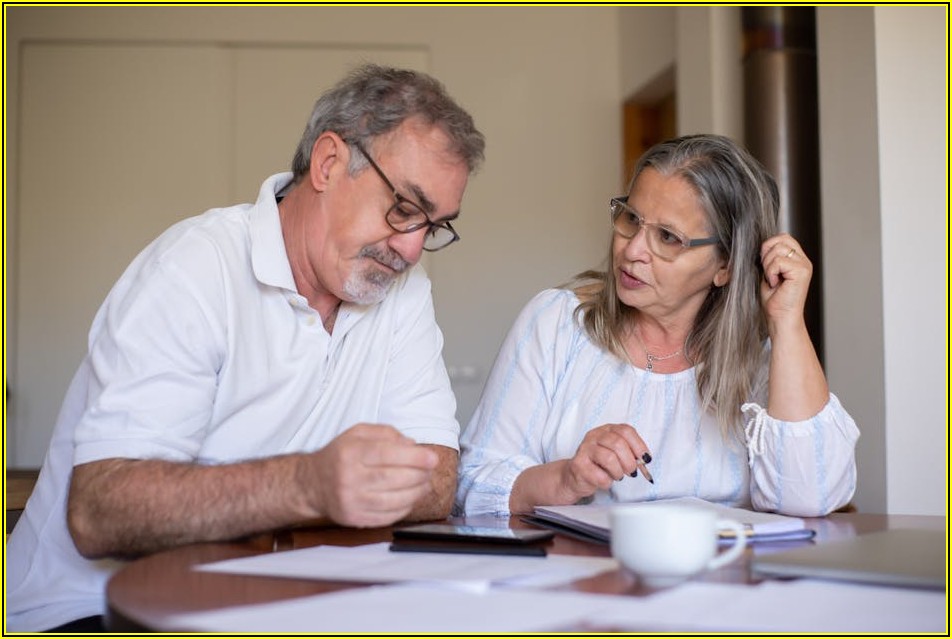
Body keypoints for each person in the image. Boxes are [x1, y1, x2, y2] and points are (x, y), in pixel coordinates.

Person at [7, 64, 485, 632]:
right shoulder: (195, 266)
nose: (410, 251)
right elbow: (99, 512)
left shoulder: (402, 289)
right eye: (404, 209)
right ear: (329, 163)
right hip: (92, 610)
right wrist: (309, 484)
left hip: (261, 603)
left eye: (432, 227)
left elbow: (436, 478)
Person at [456, 134, 858, 519]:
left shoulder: (760, 362)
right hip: (583, 581)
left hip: (722, 581)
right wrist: (567, 478)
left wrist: (787, 323)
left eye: (668, 237)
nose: (631, 250)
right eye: (631, 218)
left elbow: (813, 496)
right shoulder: (556, 324)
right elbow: (473, 484)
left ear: (725, 266)